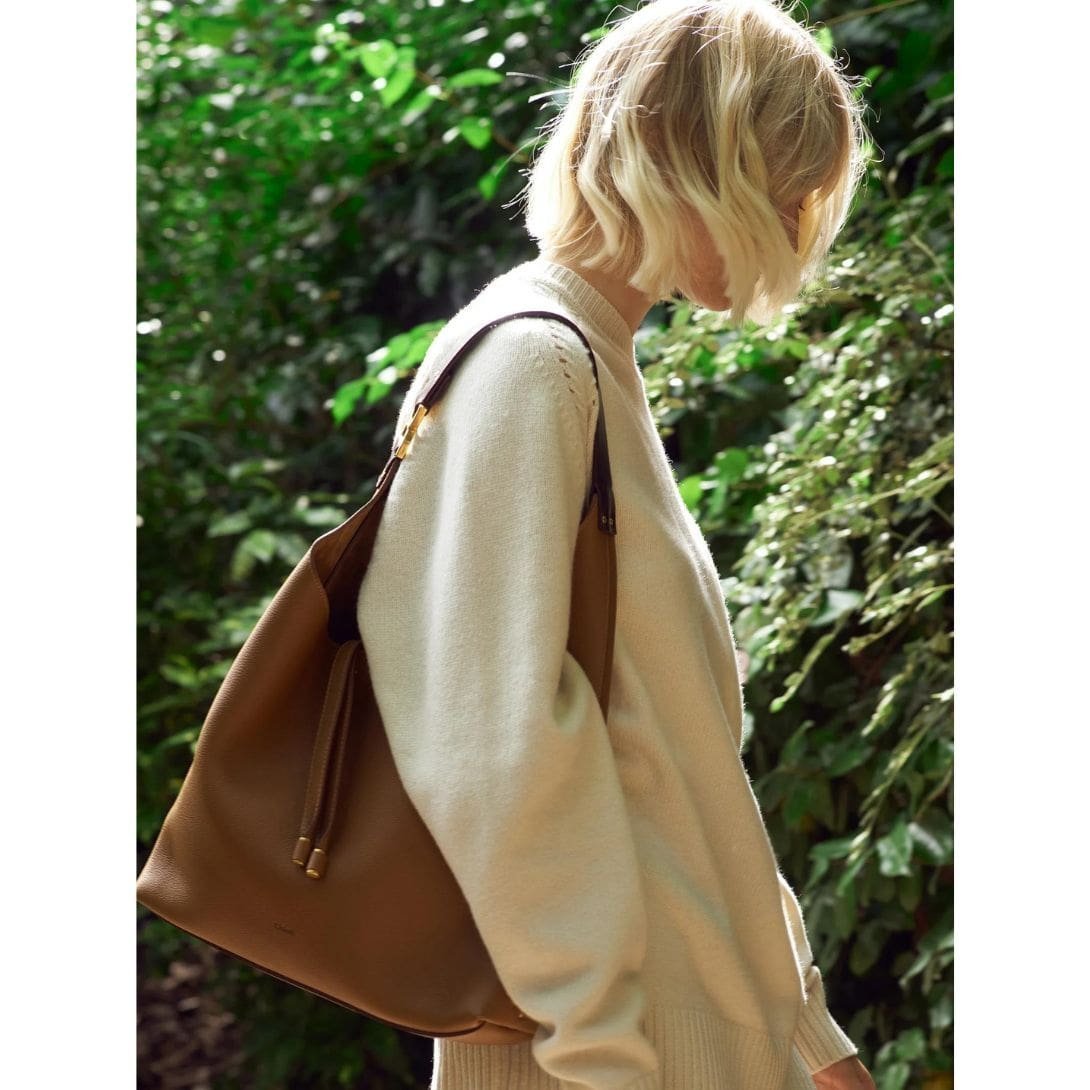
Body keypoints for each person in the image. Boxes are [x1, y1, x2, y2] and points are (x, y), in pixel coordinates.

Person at [357, 1, 877, 1087]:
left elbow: (678, 762)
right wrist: (599, 1055)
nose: (797, 228)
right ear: (696, 163)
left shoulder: (592, 357)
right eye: (786, 188)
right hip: (612, 1054)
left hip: (696, 1029)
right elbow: (491, 753)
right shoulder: (532, 361)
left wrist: (807, 1035)